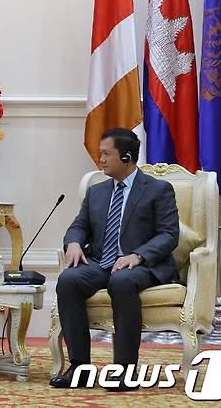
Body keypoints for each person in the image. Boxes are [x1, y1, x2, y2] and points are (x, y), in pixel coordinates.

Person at [51, 128, 179, 392]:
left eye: (107, 154)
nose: (101, 160)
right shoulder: (96, 191)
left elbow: (169, 235)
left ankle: (124, 370)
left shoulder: (158, 190)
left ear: (127, 157)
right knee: (68, 280)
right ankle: (80, 368)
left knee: (121, 281)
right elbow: (79, 226)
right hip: (101, 261)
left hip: (141, 264)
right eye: (101, 154)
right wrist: (73, 242)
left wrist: (138, 255)